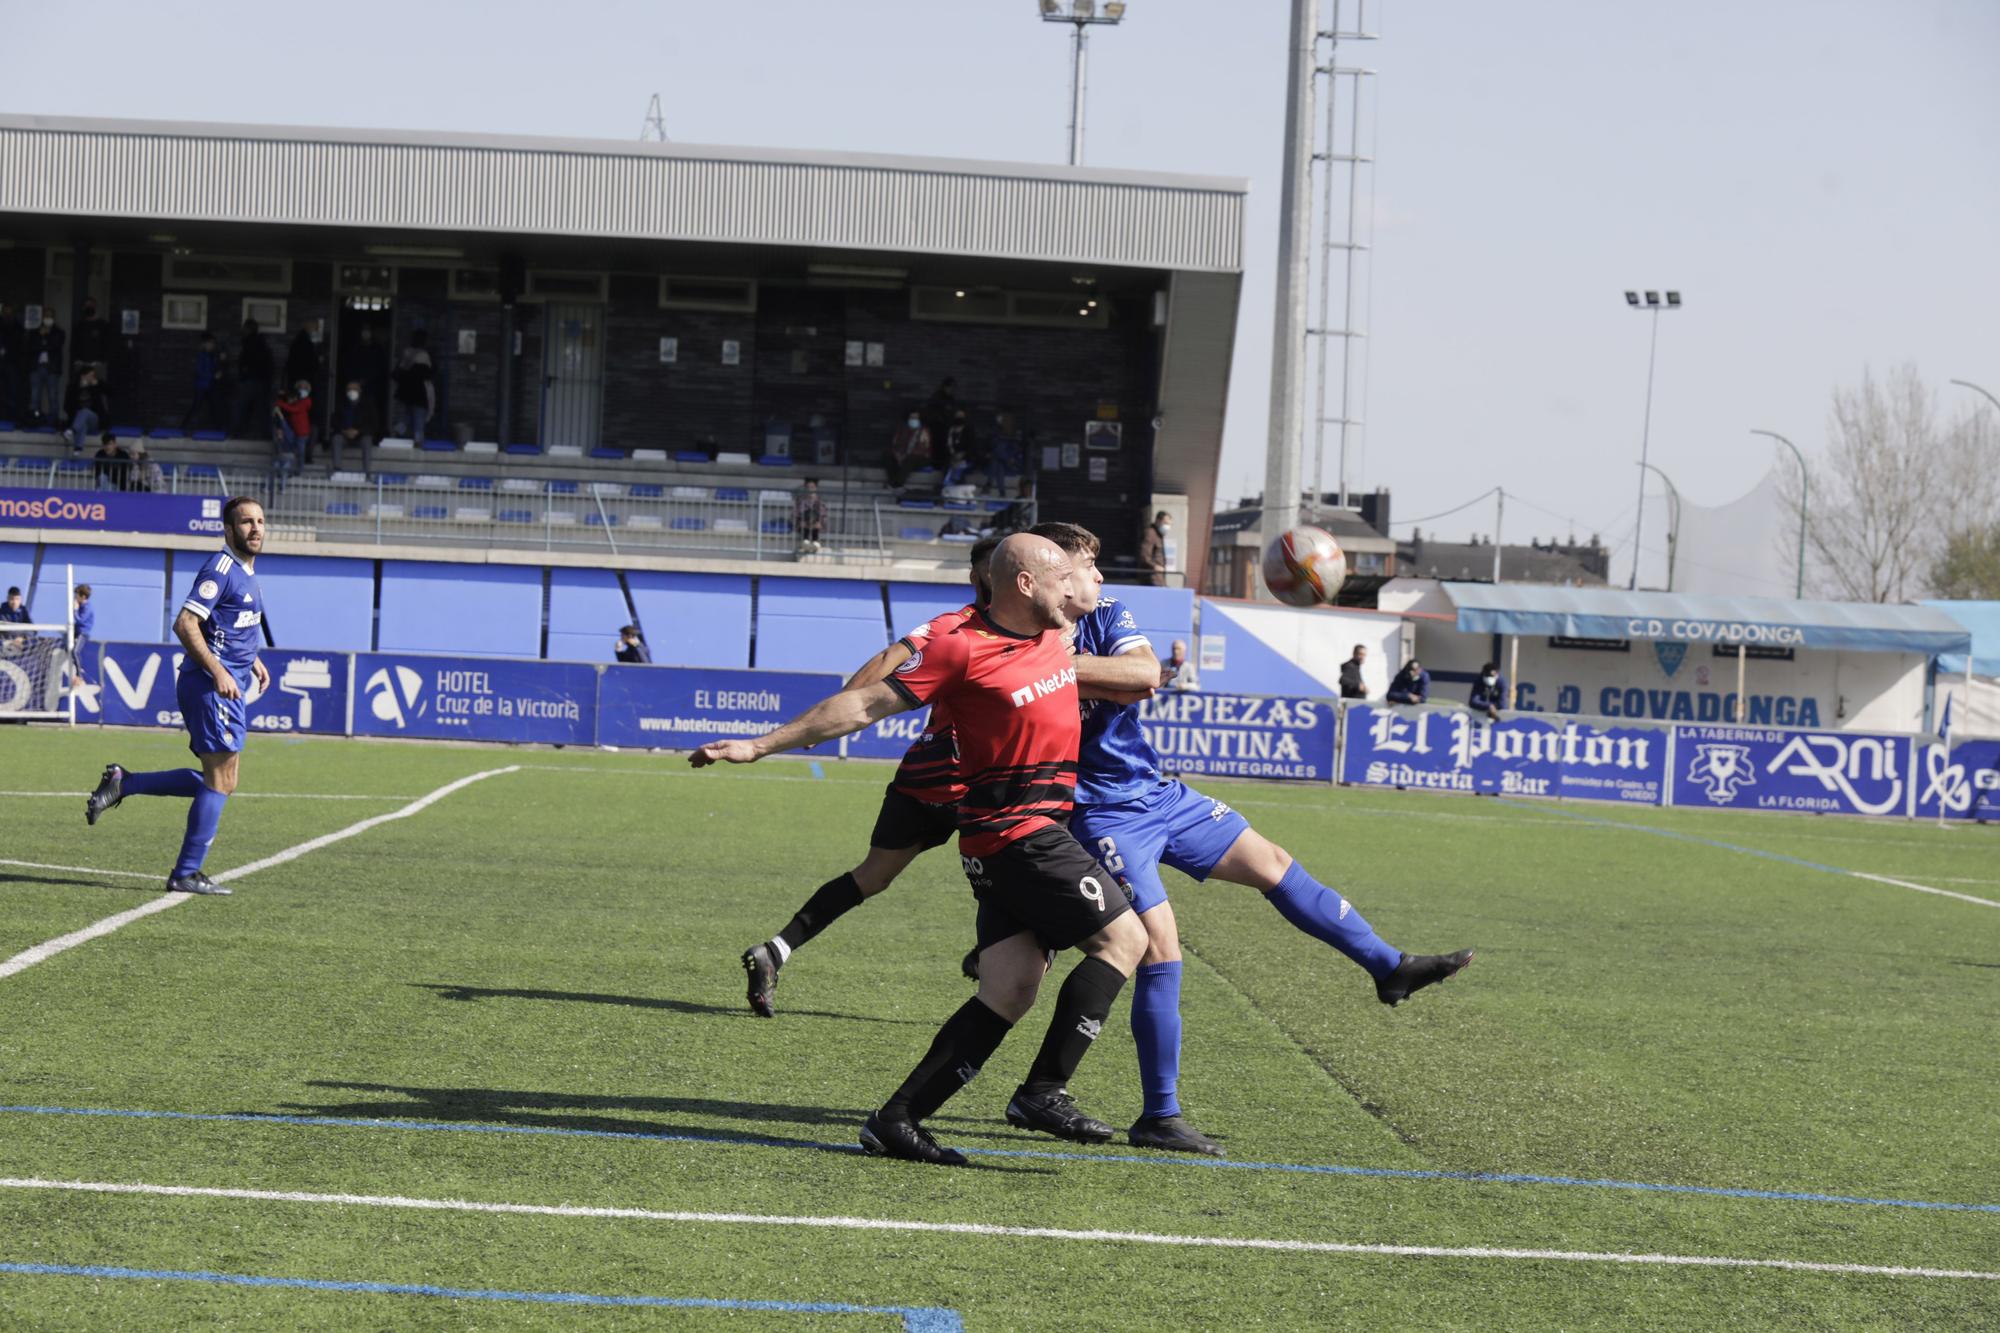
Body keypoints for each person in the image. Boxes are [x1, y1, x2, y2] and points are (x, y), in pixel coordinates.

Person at [697, 533, 1148, 1166]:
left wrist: (1090, 571)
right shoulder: (961, 646)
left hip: (998, 842)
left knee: (1009, 989)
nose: (1080, 590)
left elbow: (1135, 660)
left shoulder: (1056, 629)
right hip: (1024, 836)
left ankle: (897, 1118)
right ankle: (1044, 1091)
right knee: (1126, 940)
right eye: (1064, 579)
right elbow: (861, 703)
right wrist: (761, 744)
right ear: (1024, 586)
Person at [1041, 521, 1473, 1155]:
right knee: (1160, 950)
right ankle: (1159, 1115)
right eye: (1088, 565)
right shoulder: (1015, 634)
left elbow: (1145, 674)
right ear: (1054, 574)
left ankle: (1390, 967)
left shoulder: (1104, 613)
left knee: (1273, 862)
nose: (1101, 577)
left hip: (1158, 792)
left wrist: (1060, 668)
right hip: (1101, 813)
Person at [738, 535, 1003, 1018]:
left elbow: (888, 658)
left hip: (928, 777)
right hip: (971, 781)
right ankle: (993, 955)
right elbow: (890, 660)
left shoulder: (996, 626)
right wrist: (829, 717)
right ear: (980, 577)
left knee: (872, 877)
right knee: (1031, 865)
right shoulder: (963, 626)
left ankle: (775, 950)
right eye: (997, 567)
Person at [85, 497, 269, 896]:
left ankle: (124, 782)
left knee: (222, 780)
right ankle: (185, 873)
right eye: (245, 522)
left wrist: (251, 659)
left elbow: (231, 624)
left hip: (229, 683)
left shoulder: (246, 572)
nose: (255, 528)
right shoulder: (220, 569)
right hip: (210, 686)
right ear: (227, 529)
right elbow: (186, 623)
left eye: (259, 521)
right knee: (220, 779)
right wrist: (219, 670)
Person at [230, 319, 274, 438]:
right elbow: (269, 364)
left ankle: (237, 433)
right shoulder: (263, 344)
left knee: (241, 407)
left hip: (250, 380)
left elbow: (245, 362)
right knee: (262, 410)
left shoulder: (248, 343)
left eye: (244, 328)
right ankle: (267, 435)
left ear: (248, 329)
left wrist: (244, 374)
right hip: (262, 381)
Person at [392, 335, 436, 441]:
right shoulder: (424, 356)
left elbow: (397, 373)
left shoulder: (406, 354)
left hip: (404, 394)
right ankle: (418, 444)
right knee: (418, 424)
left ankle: (397, 438)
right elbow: (428, 374)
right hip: (419, 396)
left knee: (404, 419)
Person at [182, 332, 226, 432]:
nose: (213, 345)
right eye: (211, 343)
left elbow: (216, 367)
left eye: (213, 343)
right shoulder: (202, 355)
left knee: (215, 407)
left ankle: (219, 427)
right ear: (205, 343)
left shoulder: (212, 355)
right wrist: (213, 376)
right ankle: (184, 426)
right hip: (202, 385)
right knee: (197, 407)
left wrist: (222, 361)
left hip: (210, 385)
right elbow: (200, 371)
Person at [27, 310, 65, 424]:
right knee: (35, 396)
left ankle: (53, 420)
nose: (48, 318)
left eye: (50, 316)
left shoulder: (59, 332)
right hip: (36, 367)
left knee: (53, 395)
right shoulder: (35, 332)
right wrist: (41, 337)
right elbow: (31, 347)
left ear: (53, 318)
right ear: (42, 317)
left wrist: (46, 337)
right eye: (46, 316)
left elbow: (55, 345)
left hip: (52, 368)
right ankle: (35, 418)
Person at [272, 381, 312, 486]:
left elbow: (294, 409)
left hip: (302, 433)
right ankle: (292, 471)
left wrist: (280, 403)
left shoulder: (305, 402)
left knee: (300, 452)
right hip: (295, 432)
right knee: (294, 453)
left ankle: (299, 471)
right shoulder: (296, 402)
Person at [63, 364, 110, 450]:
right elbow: (66, 406)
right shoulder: (72, 387)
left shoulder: (95, 386)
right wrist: (80, 389)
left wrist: (98, 384)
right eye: (91, 375)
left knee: (84, 411)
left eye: (94, 376)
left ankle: (71, 431)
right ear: (83, 376)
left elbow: (110, 391)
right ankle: (77, 451)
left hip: (93, 419)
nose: (93, 378)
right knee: (82, 423)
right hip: (78, 420)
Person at [328, 379, 371, 474]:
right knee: (336, 438)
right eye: (349, 389)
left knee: (367, 440)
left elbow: (371, 424)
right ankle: (337, 469)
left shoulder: (367, 406)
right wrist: (344, 431)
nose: (352, 391)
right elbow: (334, 421)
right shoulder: (341, 405)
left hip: (360, 436)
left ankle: (367, 472)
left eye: (354, 389)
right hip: (344, 436)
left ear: (360, 391)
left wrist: (358, 431)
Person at [885, 412, 930, 488]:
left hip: (918, 457)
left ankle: (897, 483)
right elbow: (895, 444)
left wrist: (905, 456)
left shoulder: (923, 431)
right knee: (888, 457)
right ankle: (892, 480)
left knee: (909, 460)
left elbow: (924, 448)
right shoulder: (902, 430)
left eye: (916, 418)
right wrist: (898, 455)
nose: (913, 420)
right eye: (912, 418)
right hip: (902, 455)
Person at [0, 303, 21, 423]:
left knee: (12, 391)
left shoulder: (17, 327)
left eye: (10, 312)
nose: (7, 314)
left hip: (12, 363)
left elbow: (19, 345)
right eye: (5, 312)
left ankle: (11, 417)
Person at [794, 479, 828, 555]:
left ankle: (815, 542)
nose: (810, 489)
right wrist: (800, 522)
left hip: (816, 522)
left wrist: (820, 523)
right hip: (804, 522)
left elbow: (823, 513)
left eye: (812, 487)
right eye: (808, 487)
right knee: (804, 524)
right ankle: (805, 542)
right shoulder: (801, 499)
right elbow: (797, 512)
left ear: (816, 488)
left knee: (816, 525)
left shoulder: (820, 500)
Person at [1138, 511, 1170, 586]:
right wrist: (1154, 566)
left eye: (1169, 524)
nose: (1168, 526)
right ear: (1158, 521)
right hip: (1152, 577)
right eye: (1165, 523)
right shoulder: (1151, 533)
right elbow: (1144, 555)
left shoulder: (1159, 534)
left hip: (1158, 577)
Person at [71, 584, 95, 681]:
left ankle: (79, 675)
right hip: (76, 631)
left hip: (82, 633)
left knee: (75, 651)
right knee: (68, 648)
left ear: (83, 596)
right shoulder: (81, 606)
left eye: (76, 595)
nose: (75, 598)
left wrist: (75, 610)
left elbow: (81, 620)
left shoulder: (87, 607)